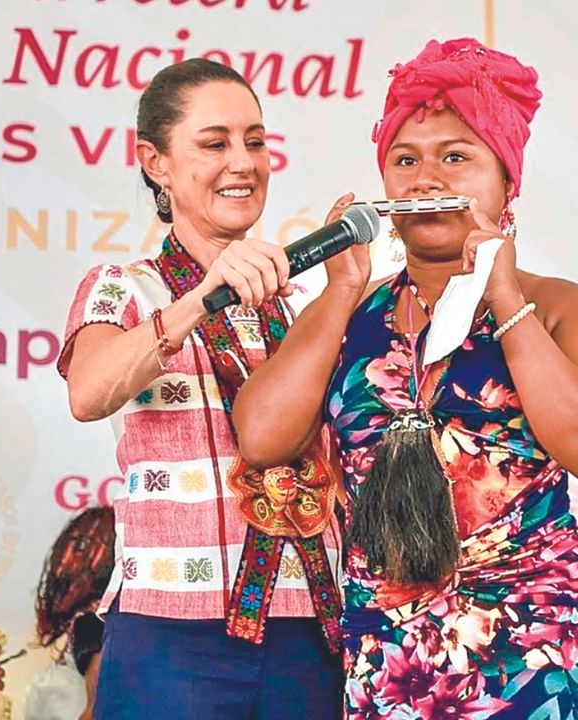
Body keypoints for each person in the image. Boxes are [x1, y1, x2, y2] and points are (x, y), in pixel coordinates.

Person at [232, 38, 578, 719]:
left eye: (456, 157)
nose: (426, 180)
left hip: (541, 649)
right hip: (394, 657)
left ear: (508, 180)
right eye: (405, 160)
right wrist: (341, 289)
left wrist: (505, 299)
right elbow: (263, 437)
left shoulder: (560, 306)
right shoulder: (350, 310)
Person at [58, 57, 342, 718]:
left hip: (311, 632)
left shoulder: (298, 307)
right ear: (155, 162)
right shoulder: (124, 288)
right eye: (214, 144)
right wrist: (201, 299)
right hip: (171, 634)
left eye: (255, 140)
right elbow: (89, 391)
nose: (242, 162)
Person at [34, 506, 116, 720]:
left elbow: (97, 707)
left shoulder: (92, 618)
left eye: (82, 547)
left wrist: (90, 711)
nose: (67, 563)